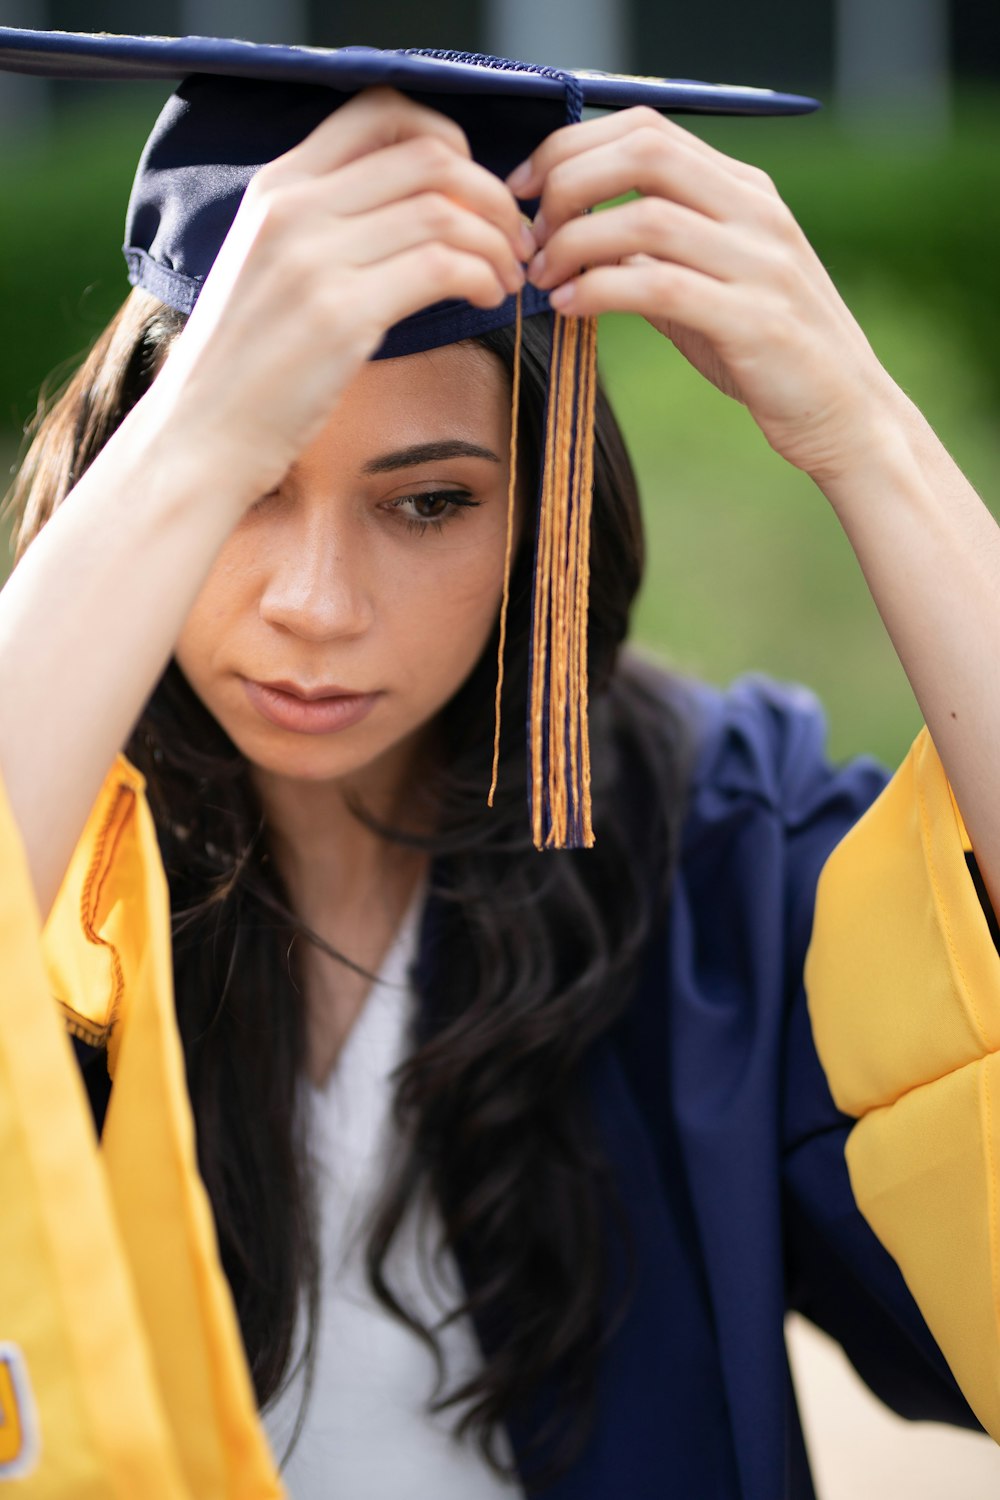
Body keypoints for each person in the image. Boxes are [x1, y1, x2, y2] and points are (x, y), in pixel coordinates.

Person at [0, 29, 998, 1500]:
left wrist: (871, 441)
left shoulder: (707, 848)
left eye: (428, 506)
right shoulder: (62, 850)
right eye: (248, 488)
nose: (317, 609)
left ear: (542, 517)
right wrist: (203, 414)